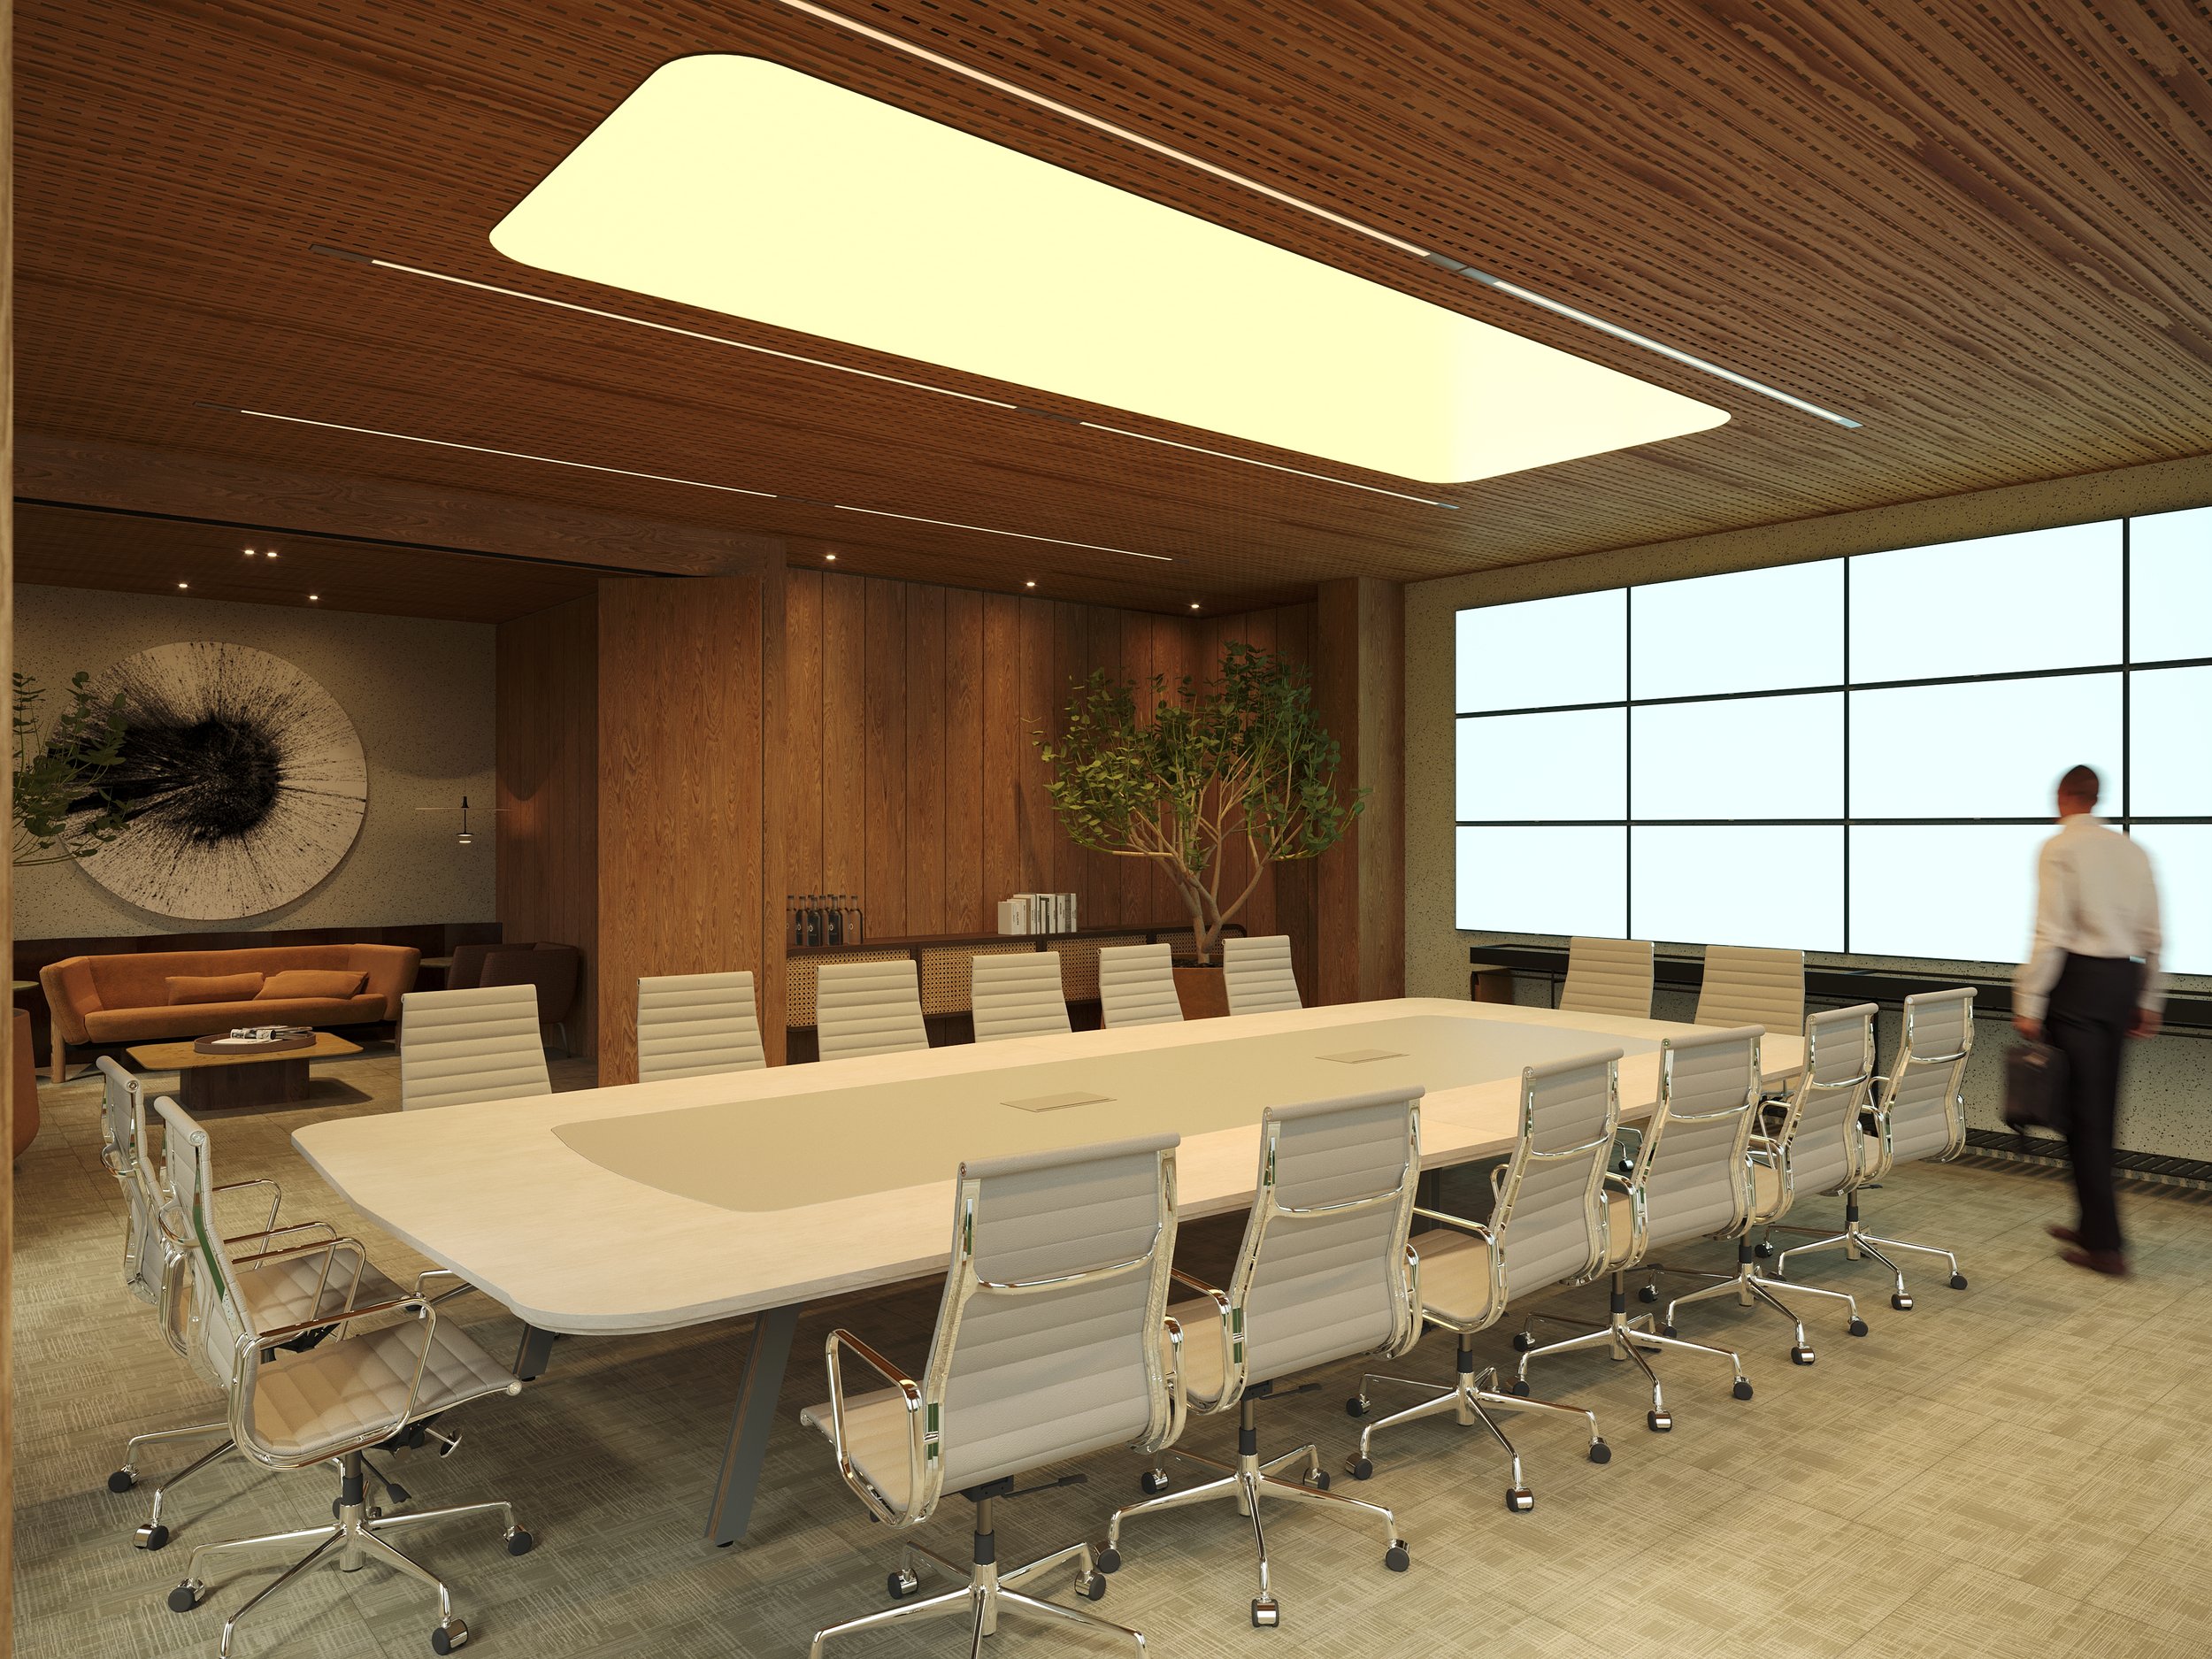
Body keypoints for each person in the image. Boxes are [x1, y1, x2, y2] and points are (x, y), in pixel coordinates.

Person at [2013, 764, 2162, 1278]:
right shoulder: (2133, 850)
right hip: (2121, 983)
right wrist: (2151, 998)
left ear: (2063, 797)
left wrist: (2029, 1002)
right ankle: (2091, 1224)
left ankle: (2107, 1247)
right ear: (2096, 797)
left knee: (2084, 1116)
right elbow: (2153, 936)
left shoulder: (2060, 847)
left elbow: (2050, 931)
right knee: (2092, 1111)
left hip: (2077, 986)